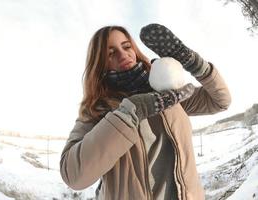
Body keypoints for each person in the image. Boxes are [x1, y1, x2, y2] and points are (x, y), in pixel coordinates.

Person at [60, 23, 231, 200]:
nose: (123, 54)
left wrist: (195, 64)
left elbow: (220, 101)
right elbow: (73, 176)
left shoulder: (167, 92)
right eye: (111, 53)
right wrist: (129, 113)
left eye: (126, 46)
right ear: (99, 64)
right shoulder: (97, 109)